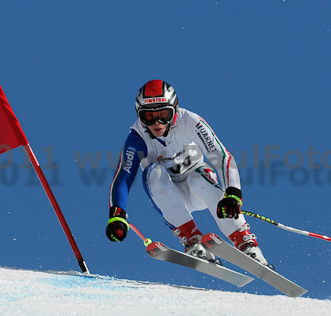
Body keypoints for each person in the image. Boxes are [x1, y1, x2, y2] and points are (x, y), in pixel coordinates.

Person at [106, 79, 270, 267]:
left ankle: (246, 243)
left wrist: (233, 192)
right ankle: (192, 239)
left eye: (163, 114)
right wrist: (117, 214)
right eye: (148, 117)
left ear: (174, 110)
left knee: (196, 178)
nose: (157, 123)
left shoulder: (190, 121)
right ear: (139, 116)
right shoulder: (137, 137)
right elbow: (123, 178)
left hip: (200, 188)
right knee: (153, 173)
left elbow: (221, 156)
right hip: (170, 197)